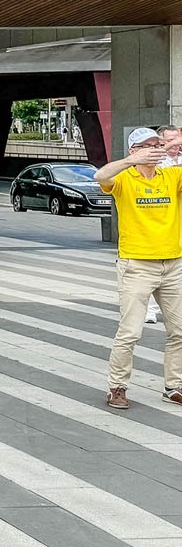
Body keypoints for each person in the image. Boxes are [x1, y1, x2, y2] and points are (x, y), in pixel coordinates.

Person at [94, 127, 182, 409]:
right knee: (130, 331)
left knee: (179, 331)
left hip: (173, 263)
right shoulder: (123, 179)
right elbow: (100, 176)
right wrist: (132, 161)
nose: (156, 149)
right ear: (134, 150)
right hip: (136, 264)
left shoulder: (171, 176)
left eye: (159, 145)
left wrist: (175, 144)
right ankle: (117, 387)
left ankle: (173, 386)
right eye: (149, 146)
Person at [145, 125, 181, 324]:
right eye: (169, 141)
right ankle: (150, 310)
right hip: (160, 222)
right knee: (153, 270)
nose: (175, 145)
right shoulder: (156, 162)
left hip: (179, 221)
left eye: (177, 140)